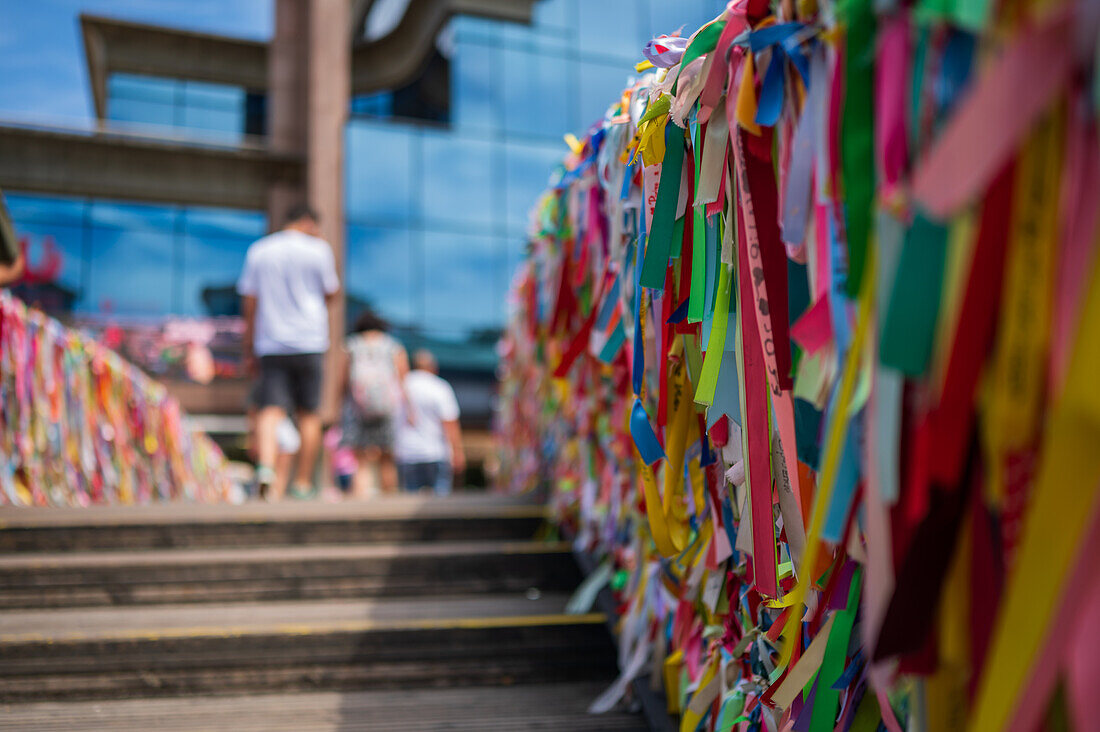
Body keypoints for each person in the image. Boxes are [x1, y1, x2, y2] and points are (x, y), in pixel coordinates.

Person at [237, 203, 339, 499]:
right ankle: (303, 482)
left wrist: (249, 346)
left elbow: (250, 304)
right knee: (309, 414)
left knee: (270, 411)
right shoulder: (319, 250)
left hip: (271, 342)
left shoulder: (259, 250)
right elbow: (332, 292)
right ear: (307, 221)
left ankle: (266, 468)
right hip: (310, 341)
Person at [341, 311, 409, 497]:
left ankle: (360, 501)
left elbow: (343, 379)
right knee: (387, 457)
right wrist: (409, 408)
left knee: (361, 458)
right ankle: (390, 500)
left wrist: (341, 403)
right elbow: (403, 379)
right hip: (388, 407)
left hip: (357, 407)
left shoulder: (351, 345)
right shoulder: (393, 345)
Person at [395, 349, 465, 495]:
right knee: (439, 506)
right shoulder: (439, 387)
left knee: (408, 504)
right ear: (434, 367)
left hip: (406, 453)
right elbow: (450, 423)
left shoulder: (402, 386)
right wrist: (457, 451)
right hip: (436, 452)